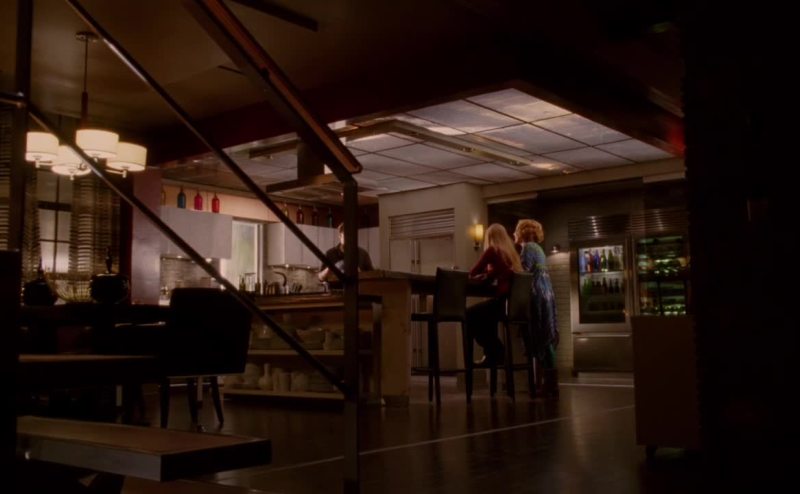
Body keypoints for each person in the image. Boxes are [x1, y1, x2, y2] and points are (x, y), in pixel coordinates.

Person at [514, 219, 559, 396]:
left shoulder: (528, 248)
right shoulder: (539, 249)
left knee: (539, 335)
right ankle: (549, 383)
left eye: (516, 231)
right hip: (547, 292)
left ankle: (546, 384)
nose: (514, 234)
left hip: (537, 294)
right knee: (547, 336)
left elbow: (523, 272)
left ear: (522, 233)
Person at [467, 223, 523, 366]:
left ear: (489, 237)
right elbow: (499, 272)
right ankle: (492, 354)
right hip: (513, 305)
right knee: (486, 317)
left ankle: (496, 349)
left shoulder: (493, 250)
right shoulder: (511, 253)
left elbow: (473, 272)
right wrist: (489, 274)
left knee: (469, 315)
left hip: (502, 303)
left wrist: (484, 274)